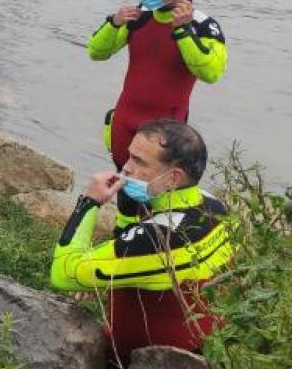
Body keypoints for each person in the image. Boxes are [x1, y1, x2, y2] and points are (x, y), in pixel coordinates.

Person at [50, 120, 234, 365]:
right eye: (129, 156)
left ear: (173, 178)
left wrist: (89, 202)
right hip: (208, 342)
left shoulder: (159, 238)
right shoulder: (214, 205)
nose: (125, 168)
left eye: (139, 162)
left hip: (148, 359)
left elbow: (62, 273)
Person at [88, 0, 227, 170]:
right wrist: (113, 24)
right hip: (125, 116)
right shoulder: (139, 16)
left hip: (166, 126)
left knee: (156, 187)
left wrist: (183, 30)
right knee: (122, 183)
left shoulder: (202, 25)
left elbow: (211, 73)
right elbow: (96, 53)